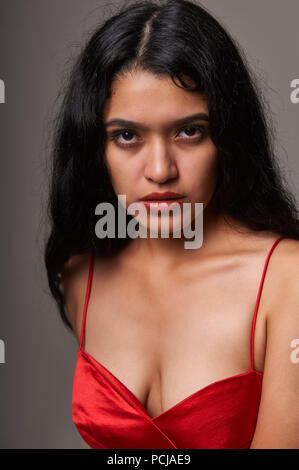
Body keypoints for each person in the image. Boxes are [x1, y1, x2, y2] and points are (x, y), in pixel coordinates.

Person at [44, 0, 299, 449]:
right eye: (127, 136)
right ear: (94, 148)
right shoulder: (80, 271)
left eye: (189, 132)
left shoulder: (288, 281)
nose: (161, 170)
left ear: (227, 137)